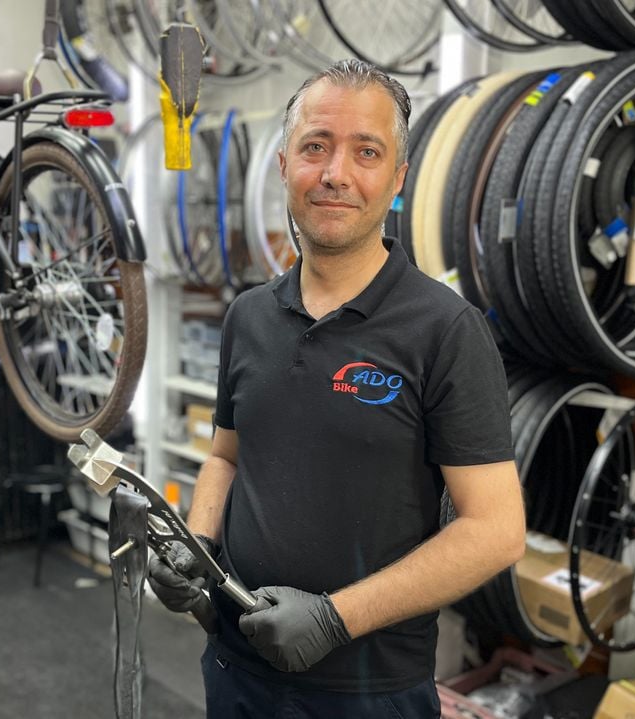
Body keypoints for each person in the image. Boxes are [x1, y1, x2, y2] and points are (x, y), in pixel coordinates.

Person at [148, 59, 526, 718]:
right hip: (236, 667)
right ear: (284, 164)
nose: (335, 173)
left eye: (367, 151)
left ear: (398, 178)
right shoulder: (248, 315)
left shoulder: (445, 331)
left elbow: (495, 530)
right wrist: (196, 543)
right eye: (315, 146)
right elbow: (226, 455)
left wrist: (335, 618)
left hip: (368, 691)